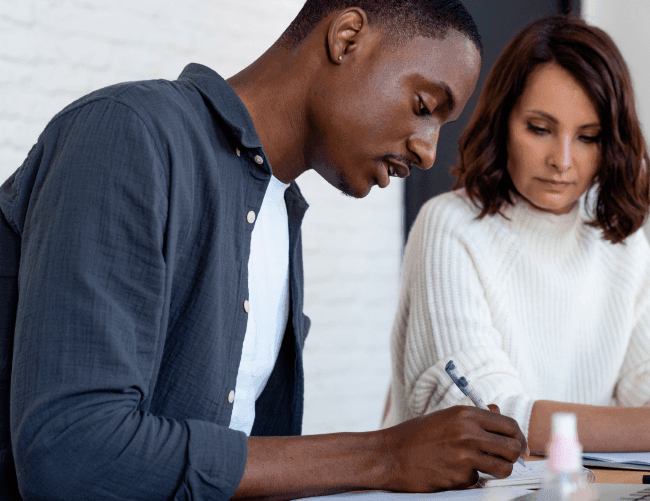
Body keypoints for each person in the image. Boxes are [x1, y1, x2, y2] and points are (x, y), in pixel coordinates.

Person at [0, 1, 531, 500]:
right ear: (347, 38)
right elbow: (70, 453)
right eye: (423, 106)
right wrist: (385, 455)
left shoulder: (280, 210)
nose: (427, 149)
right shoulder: (129, 131)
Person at [383, 15, 650, 455]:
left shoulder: (616, 239)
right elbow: (486, 418)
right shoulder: (449, 228)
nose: (563, 160)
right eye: (540, 129)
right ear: (503, 124)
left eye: (589, 137)